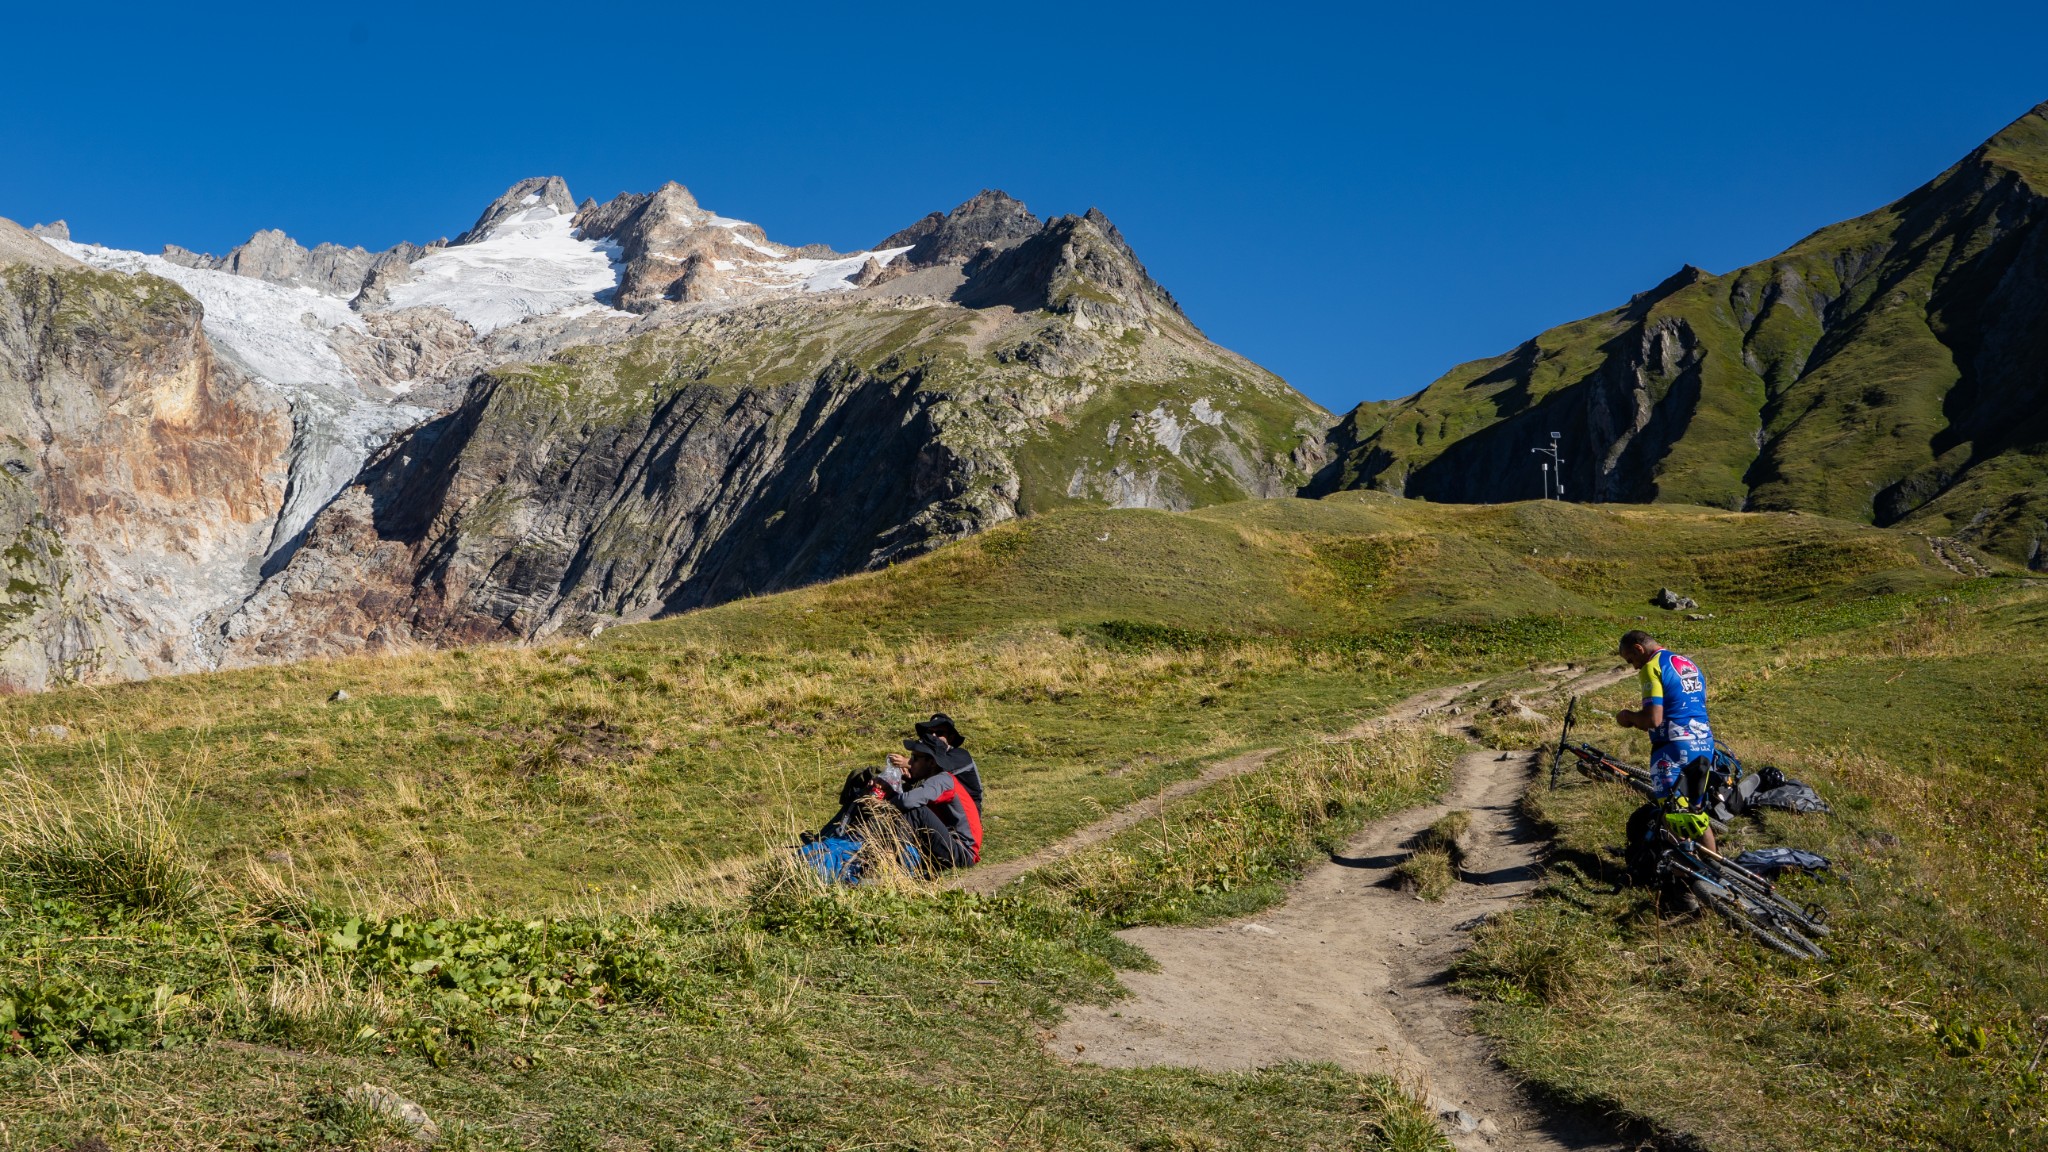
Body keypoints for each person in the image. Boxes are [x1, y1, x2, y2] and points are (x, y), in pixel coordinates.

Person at [1614, 630, 1717, 855]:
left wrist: (1628, 717)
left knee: (1673, 814)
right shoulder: (1687, 662)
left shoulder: (1652, 667)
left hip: (1672, 748)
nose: (1634, 667)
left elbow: (1653, 719)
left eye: (1631, 659)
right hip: (1704, 744)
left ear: (1639, 648)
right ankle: (1714, 866)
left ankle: (1682, 881)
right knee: (1696, 812)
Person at [888, 737, 983, 872]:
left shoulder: (942, 780)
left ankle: (893, 861)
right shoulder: (936, 781)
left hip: (963, 852)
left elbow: (907, 801)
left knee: (916, 811)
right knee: (912, 804)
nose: (910, 763)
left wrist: (885, 802)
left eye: (915, 758)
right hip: (950, 846)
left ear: (932, 763)